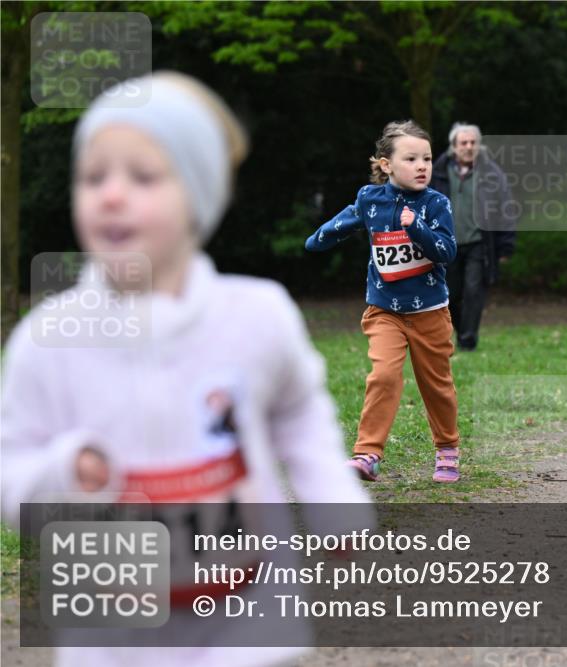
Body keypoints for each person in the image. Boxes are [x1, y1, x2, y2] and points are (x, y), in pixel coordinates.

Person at [0, 71, 373, 667]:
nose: (112, 194)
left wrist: (332, 499)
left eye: (144, 176)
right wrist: (63, 471)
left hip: (243, 626)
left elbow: (299, 414)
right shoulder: (46, 343)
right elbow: (10, 469)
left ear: (199, 198)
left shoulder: (255, 315)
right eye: (93, 176)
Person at [305, 120, 462, 482]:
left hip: (430, 313)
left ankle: (447, 449)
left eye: (426, 158)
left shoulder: (436, 204)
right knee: (384, 376)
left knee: (436, 384)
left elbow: (447, 252)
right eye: (411, 159)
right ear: (386, 164)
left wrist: (416, 228)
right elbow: (346, 221)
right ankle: (367, 454)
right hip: (384, 311)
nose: (422, 166)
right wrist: (318, 239)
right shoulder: (370, 199)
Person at [430, 122, 517, 351]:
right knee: (451, 294)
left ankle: (468, 341)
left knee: (473, 292)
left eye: (473, 143)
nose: (468, 147)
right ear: (454, 146)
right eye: (463, 143)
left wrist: (506, 245)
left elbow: (506, 208)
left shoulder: (491, 173)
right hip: (446, 245)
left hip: (480, 244)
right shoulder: (437, 171)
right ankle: (461, 331)